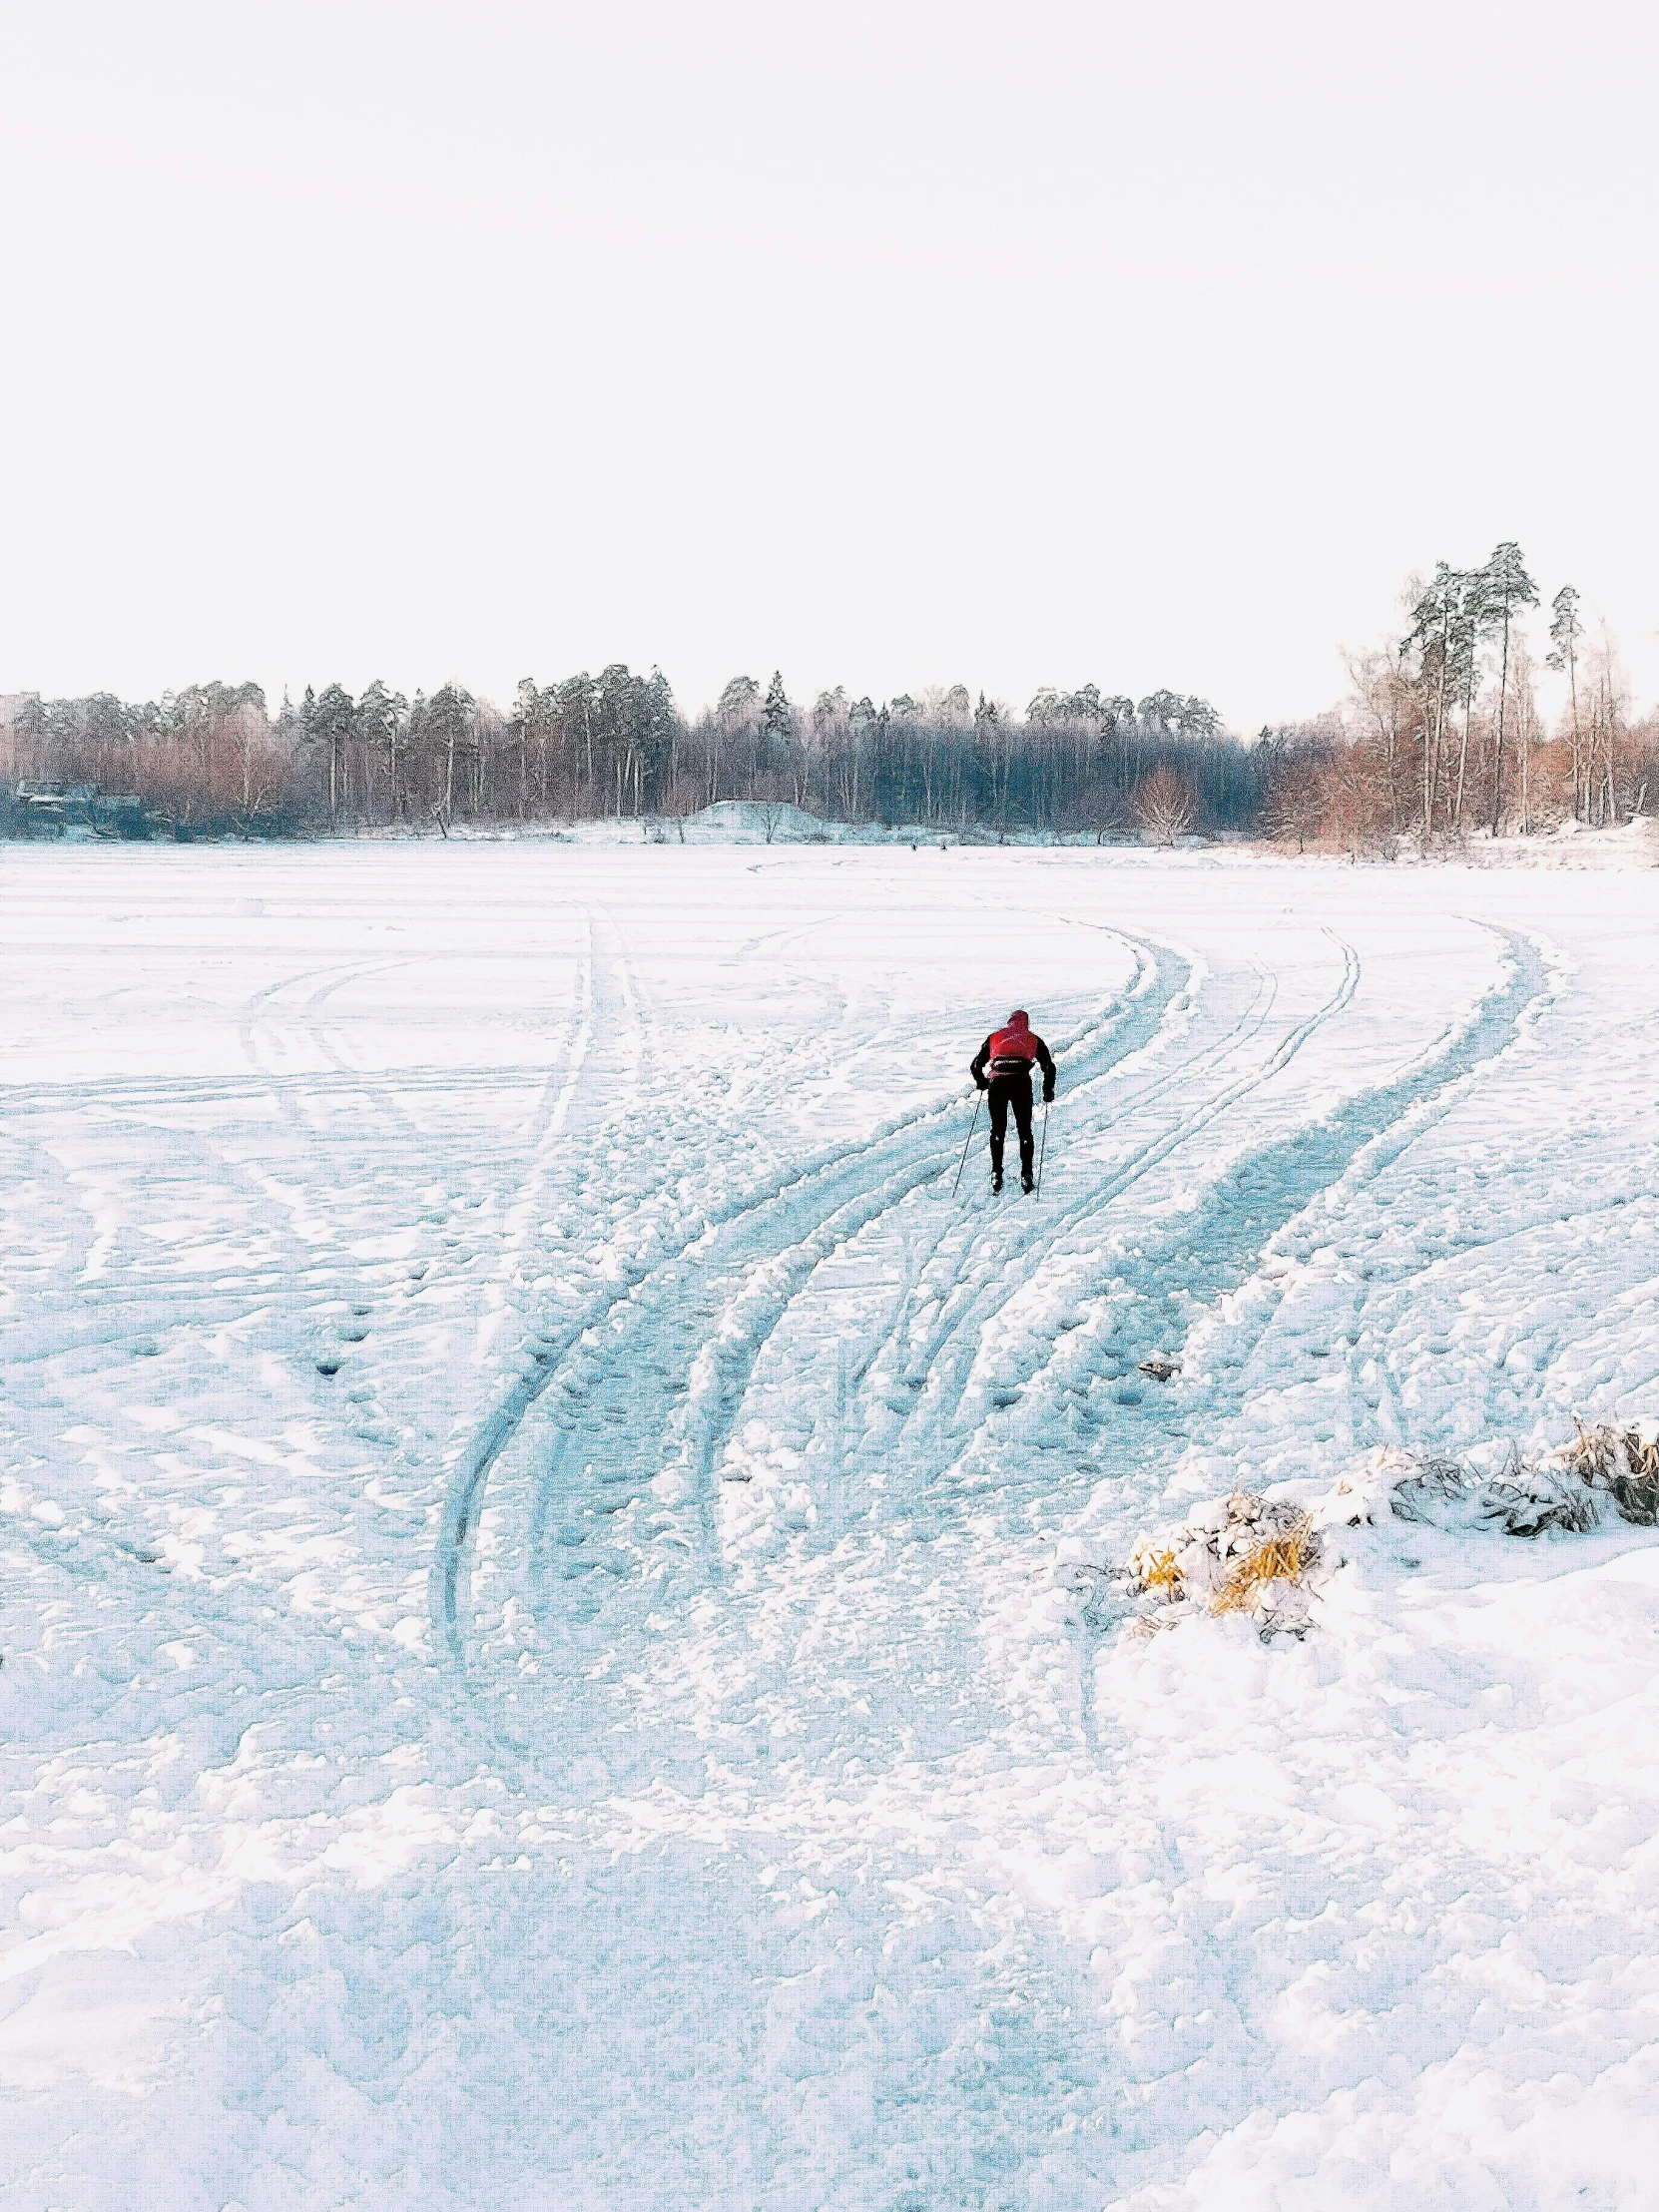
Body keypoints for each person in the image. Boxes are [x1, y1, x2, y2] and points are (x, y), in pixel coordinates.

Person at [970, 1008, 1056, 1193]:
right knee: (1024, 1130)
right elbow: (1049, 1067)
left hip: (998, 1084)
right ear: (1026, 1023)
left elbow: (976, 1065)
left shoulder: (995, 1037)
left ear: (1009, 1022)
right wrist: (1047, 1091)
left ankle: (996, 1173)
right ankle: (1026, 1175)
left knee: (998, 1129)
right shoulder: (1033, 1038)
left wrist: (983, 1082)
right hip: (1020, 1083)